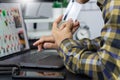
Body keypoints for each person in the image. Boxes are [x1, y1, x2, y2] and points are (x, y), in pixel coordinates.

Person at [33, 0, 120, 80]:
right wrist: (64, 42)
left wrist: (66, 44)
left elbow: (107, 69)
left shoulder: (114, 3)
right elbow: (113, 42)